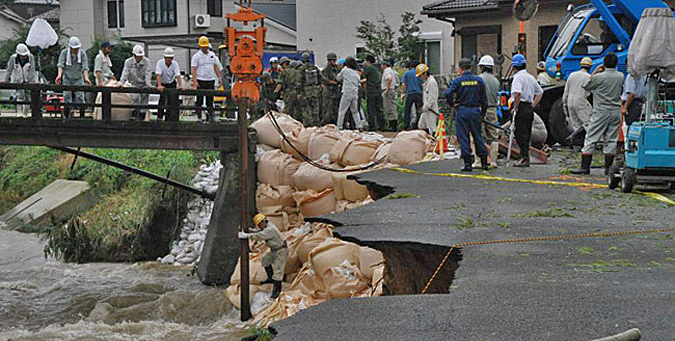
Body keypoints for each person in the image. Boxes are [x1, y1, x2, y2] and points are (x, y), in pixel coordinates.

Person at [571, 53, 624, 175]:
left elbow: (586, 86)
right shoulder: (620, 76)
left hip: (601, 111)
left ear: (604, 63)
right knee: (611, 139)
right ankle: (608, 168)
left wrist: (595, 72)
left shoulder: (599, 77)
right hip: (615, 111)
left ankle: (585, 167)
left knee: (591, 137)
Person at [445, 58, 489, 172]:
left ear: (460, 68)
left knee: (463, 137)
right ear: (471, 67)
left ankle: (467, 163)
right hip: (475, 111)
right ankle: (484, 162)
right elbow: (484, 100)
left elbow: (448, 93)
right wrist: (482, 113)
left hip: (462, 110)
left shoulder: (458, 81)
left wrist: (453, 104)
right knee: (478, 136)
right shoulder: (478, 80)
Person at [238, 213, 287, 300]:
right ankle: (270, 278)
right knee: (265, 261)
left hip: (281, 251)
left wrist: (246, 236)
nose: (259, 227)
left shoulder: (270, 229)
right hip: (275, 250)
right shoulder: (267, 226)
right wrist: (251, 231)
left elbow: (259, 236)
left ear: (262, 222)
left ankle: (276, 292)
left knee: (278, 272)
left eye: (259, 225)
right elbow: (261, 232)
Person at [510, 54, 543, 167]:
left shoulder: (517, 78)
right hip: (528, 107)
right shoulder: (531, 77)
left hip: (521, 107)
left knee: (519, 134)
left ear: (514, 67)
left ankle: (524, 158)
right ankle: (524, 157)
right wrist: (533, 105)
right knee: (527, 134)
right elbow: (540, 92)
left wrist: (515, 108)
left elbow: (517, 93)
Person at [56, 36, 91, 119]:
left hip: (78, 78)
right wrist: (59, 75)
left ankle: (81, 116)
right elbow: (61, 65)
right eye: (74, 48)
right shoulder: (64, 53)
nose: (75, 50)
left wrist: (86, 78)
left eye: (77, 48)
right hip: (67, 78)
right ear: (70, 47)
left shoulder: (82, 54)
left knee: (80, 96)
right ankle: (67, 116)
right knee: (66, 96)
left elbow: (85, 67)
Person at [191, 36, 222, 122]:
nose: (204, 48)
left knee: (210, 99)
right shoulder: (196, 56)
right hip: (200, 79)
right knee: (199, 99)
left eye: (205, 46)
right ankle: (199, 117)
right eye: (203, 46)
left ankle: (211, 116)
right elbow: (193, 69)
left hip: (210, 80)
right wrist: (195, 81)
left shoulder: (212, 55)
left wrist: (219, 77)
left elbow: (216, 67)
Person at [563, 57, 593, 145]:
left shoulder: (572, 75)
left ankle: (579, 143)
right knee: (588, 123)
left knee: (576, 124)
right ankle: (587, 144)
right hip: (581, 101)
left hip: (570, 101)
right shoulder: (588, 77)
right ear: (590, 67)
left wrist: (565, 106)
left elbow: (566, 92)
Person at [477, 55, 501, 168]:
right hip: (492, 109)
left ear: (482, 67)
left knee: (479, 135)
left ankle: (478, 161)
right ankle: (493, 162)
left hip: (480, 109)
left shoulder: (479, 79)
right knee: (493, 136)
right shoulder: (496, 81)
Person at [1, 43, 37, 117]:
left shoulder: (31, 58)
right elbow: (9, 70)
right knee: (20, 96)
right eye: (22, 55)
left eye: (24, 55)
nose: (23, 57)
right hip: (18, 80)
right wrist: (5, 80)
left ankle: (25, 113)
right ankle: (19, 112)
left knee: (28, 97)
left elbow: (32, 70)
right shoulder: (13, 58)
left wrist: (33, 80)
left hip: (28, 80)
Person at [120, 44, 152, 121]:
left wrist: (148, 85)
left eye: (141, 56)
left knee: (144, 102)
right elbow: (125, 73)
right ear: (134, 55)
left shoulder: (147, 62)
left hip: (144, 84)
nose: (139, 57)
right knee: (134, 99)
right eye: (138, 56)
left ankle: (142, 118)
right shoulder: (128, 62)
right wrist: (121, 83)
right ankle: (133, 116)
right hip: (133, 84)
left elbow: (148, 74)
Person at [336, 56, 365, 130]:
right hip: (355, 93)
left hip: (347, 92)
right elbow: (358, 81)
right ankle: (359, 126)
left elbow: (338, 78)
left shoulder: (345, 70)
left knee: (342, 111)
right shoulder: (356, 73)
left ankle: (339, 126)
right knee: (355, 111)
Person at [155, 47, 182, 121]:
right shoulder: (160, 63)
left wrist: (180, 85)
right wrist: (159, 85)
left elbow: (178, 75)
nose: (168, 60)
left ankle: (170, 118)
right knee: (162, 100)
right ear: (164, 57)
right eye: (167, 58)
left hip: (171, 83)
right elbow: (158, 75)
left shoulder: (175, 64)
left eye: (170, 58)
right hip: (163, 83)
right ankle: (159, 117)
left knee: (173, 101)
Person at [298, 52, 323, 127]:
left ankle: (308, 127)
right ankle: (316, 126)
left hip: (306, 92)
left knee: (306, 111)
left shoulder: (301, 69)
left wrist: (299, 93)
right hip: (315, 92)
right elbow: (321, 78)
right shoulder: (314, 68)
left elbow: (299, 82)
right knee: (315, 110)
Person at [360, 55, 385, 131]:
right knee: (379, 109)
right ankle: (382, 125)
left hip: (371, 90)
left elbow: (362, 75)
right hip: (378, 90)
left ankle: (372, 126)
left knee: (371, 109)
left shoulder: (369, 68)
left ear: (368, 61)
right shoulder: (377, 68)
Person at [416, 63, 439, 135]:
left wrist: (425, 107)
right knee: (421, 125)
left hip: (431, 109)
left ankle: (434, 142)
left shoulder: (431, 82)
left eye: (420, 75)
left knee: (432, 127)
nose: (420, 77)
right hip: (426, 109)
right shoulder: (427, 82)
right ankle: (427, 139)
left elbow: (432, 98)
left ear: (425, 73)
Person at [400, 60, 424, 130]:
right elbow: (423, 84)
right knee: (419, 110)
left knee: (407, 110)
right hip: (419, 93)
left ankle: (407, 125)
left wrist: (402, 93)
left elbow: (403, 84)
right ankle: (417, 125)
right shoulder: (420, 73)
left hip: (410, 93)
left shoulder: (407, 73)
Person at [321, 52, 341, 125]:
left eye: (334, 60)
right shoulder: (326, 70)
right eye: (332, 60)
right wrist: (334, 82)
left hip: (336, 92)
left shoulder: (337, 68)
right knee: (328, 110)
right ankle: (325, 124)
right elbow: (324, 80)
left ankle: (335, 123)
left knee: (336, 110)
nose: (334, 62)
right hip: (329, 92)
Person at [381, 59, 399, 131]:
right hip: (392, 89)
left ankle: (393, 126)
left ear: (385, 64)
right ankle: (392, 125)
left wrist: (387, 89)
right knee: (390, 107)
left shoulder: (387, 70)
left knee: (390, 108)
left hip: (389, 90)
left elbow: (390, 79)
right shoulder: (391, 70)